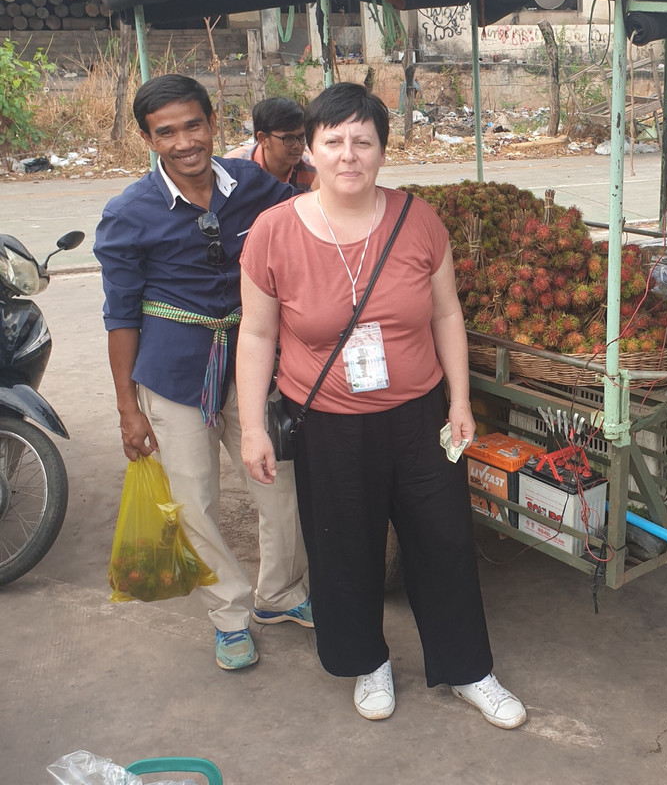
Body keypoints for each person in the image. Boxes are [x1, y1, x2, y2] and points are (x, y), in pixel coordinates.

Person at [236, 81, 526, 729]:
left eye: (362, 141)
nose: (348, 154)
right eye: (333, 140)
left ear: (382, 151)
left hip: (418, 417)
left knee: (445, 540)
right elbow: (255, 334)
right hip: (329, 425)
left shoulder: (417, 220)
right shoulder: (273, 233)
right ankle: (367, 661)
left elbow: (447, 312)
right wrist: (253, 425)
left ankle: (468, 669)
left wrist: (459, 400)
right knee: (343, 549)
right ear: (309, 148)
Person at [95, 75, 311, 672]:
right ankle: (231, 614)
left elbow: (307, 223)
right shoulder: (128, 214)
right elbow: (120, 317)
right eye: (167, 132)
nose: (184, 141)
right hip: (173, 373)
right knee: (195, 502)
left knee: (282, 486)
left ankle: (281, 594)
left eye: (194, 125)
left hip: (252, 363)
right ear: (148, 139)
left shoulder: (254, 187)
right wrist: (127, 408)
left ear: (214, 124)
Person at [225, 97, 318, 191]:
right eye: (288, 139)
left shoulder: (314, 172)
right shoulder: (232, 171)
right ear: (263, 139)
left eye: (301, 137)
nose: (297, 146)